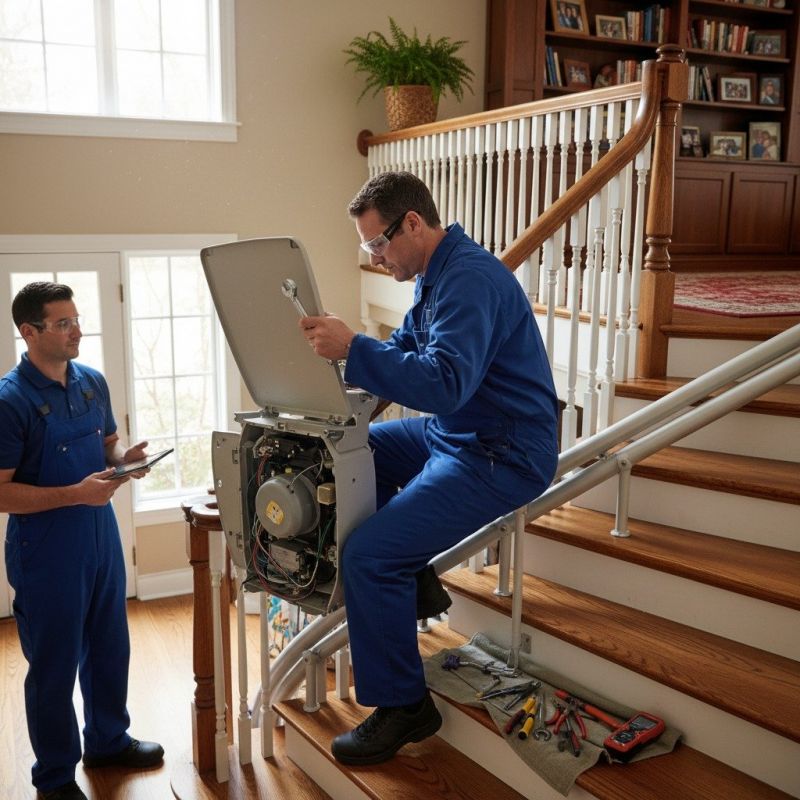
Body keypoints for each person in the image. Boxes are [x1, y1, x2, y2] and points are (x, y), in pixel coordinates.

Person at [299, 172, 559, 765]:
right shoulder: (436, 275)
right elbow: (410, 354)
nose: (376, 257)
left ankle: (403, 706)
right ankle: (408, 570)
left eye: (378, 244)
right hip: (457, 431)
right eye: (369, 248)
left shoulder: (468, 279)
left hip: (503, 451)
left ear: (412, 223)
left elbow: (444, 382)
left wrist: (353, 349)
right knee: (352, 455)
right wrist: (346, 396)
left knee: (369, 554)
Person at [0, 282, 164, 800]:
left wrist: (125, 464)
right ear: (29, 332)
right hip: (45, 551)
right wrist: (77, 493)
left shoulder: (92, 382)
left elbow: (108, 448)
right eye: (63, 323)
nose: (78, 330)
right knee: (54, 665)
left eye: (76, 319)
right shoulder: (11, 401)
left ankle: (108, 742)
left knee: (110, 647)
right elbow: (1, 493)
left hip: (100, 539)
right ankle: (54, 778)